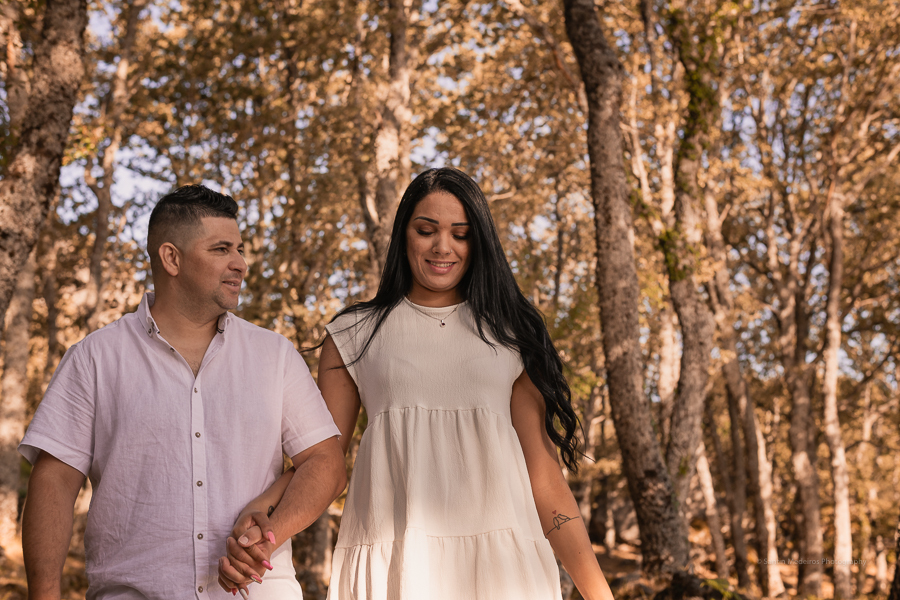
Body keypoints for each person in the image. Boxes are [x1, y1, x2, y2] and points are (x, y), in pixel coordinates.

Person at [221, 168, 615, 599]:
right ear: (403, 235)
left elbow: (546, 482)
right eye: (426, 230)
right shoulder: (353, 334)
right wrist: (265, 515)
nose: (442, 246)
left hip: (503, 566)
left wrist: (600, 595)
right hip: (398, 564)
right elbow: (324, 465)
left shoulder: (510, 334)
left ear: (478, 242)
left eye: (460, 234)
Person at [19, 184, 346, 600]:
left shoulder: (275, 355)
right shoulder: (95, 358)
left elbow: (326, 463)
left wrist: (268, 538)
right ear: (171, 258)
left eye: (239, 249)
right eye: (221, 249)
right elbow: (55, 482)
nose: (240, 263)